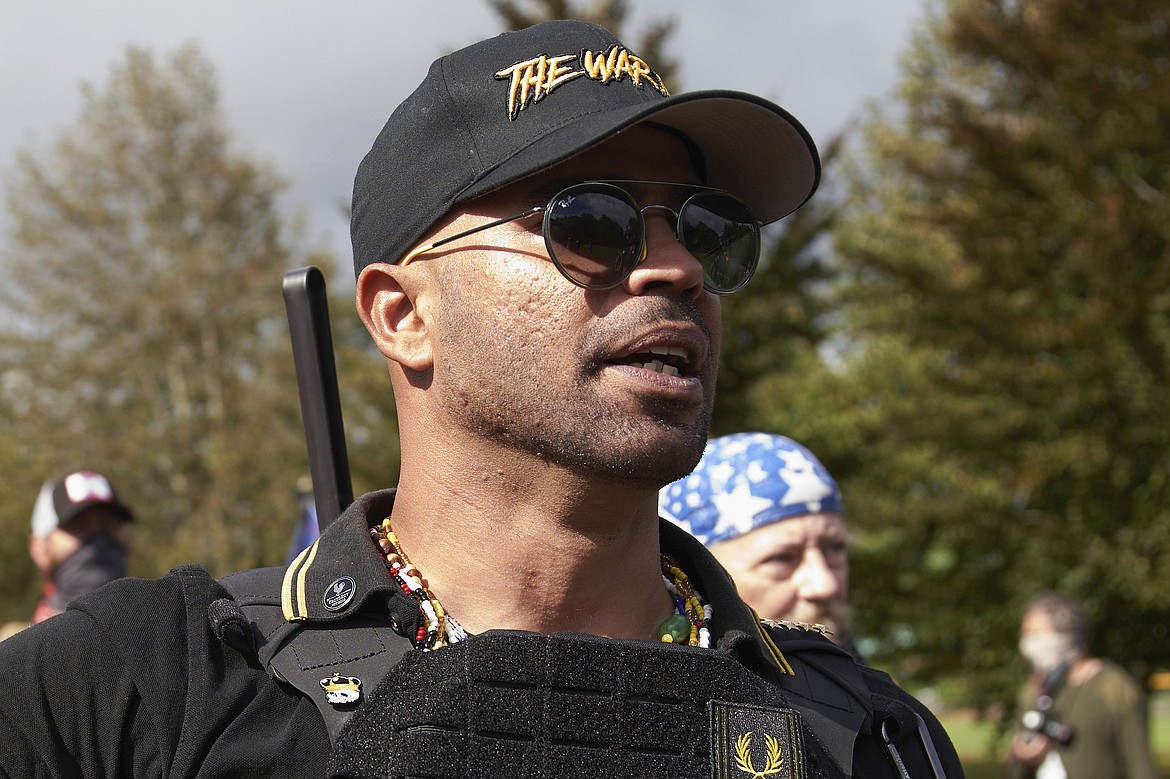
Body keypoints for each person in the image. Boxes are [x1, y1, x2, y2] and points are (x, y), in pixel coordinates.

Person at [0, 20, 963, 778]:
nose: (674, 266)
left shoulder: (866, 736)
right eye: (593, 220)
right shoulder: (143, 689)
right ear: (402, 314)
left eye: (711, 228)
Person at [660, 432, 862, 658]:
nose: (826, 586)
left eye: (834, 548)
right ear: (701, 573)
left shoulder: (875, 691)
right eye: (781, 558)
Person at [1003, 592, 1159, 779]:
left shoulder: (1115, 689)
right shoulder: (1034, 691)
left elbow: (1140, 765)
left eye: (1035, 634)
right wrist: (1020, 757)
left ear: (1067, 635)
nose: (1028, 644)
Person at [26, 468, 134, 625]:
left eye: (108, 524)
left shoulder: (169, 636)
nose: (99, 541)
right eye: (79, 525)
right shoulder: (12, 647)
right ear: (40, 548)